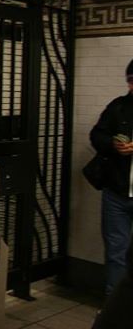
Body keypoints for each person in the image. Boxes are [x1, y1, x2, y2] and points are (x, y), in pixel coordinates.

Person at [90, 59, 133, 295]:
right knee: (117, 252)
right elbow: (97, 136)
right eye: (131, 81)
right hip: (117, 191)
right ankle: (114, 308)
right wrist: (113, 146)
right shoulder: (118, 107)